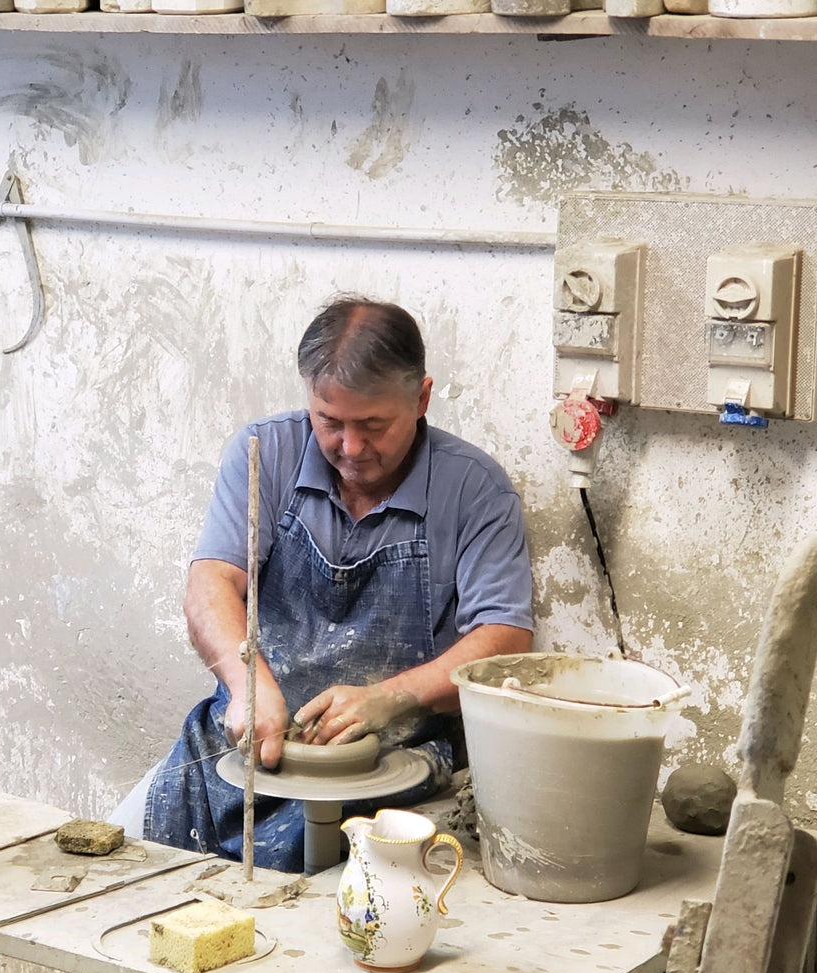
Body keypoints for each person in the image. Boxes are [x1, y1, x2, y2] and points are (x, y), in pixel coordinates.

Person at [141, 296, 534, 872]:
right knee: (138, 884)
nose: (350, 448)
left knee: (309, 902)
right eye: (329, 422)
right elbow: (212, 581)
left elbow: (505, 639)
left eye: (373, 425)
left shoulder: (474, 490)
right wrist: (248, 684)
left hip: (389, 754)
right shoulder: (264, 452)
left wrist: (389, 697)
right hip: (252, 734)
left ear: (421, 398)